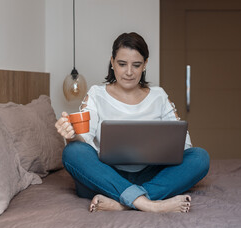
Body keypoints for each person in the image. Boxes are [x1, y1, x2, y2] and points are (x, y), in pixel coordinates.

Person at [55, 32, 209, 213]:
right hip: (107, 177)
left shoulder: (159, 96)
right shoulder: (97, 94)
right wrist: (72, 136)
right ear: (112, 62)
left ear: (145, 65)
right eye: (122, 64)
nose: (129, 72)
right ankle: (149, 204)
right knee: (73, 151)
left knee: (200, 157)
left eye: (136, 65)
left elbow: (185, 146)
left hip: (150, 175)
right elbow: (85, 142)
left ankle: (122, 203)